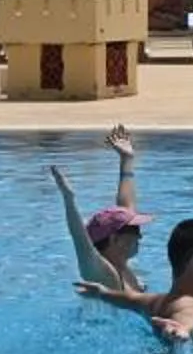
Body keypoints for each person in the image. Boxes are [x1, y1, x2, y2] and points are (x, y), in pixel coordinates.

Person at [74, 217, 193, 346]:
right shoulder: (191, 305)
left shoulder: (156, 302)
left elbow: (131, 299)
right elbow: (189, 315)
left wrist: (103, 293)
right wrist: (182, 329)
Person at [51, 124, 148, 292]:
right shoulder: (103, 274)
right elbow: (81, 241)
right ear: (114, 240)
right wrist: (69, 199)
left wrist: (127, 160)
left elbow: (127, 205)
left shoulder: (121, 264)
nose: (140, 236)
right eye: (134, 231)